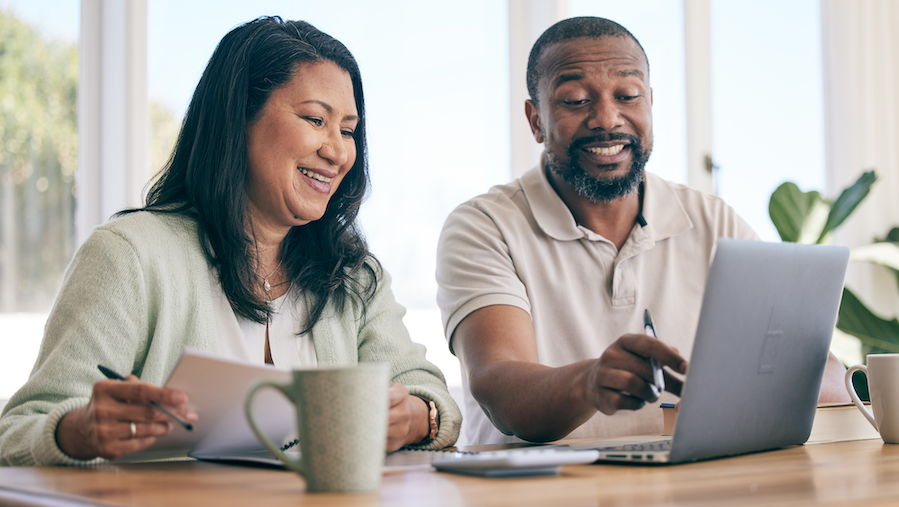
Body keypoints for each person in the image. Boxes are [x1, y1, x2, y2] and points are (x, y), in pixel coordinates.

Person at [0, 17, 460, 466]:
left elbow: (427, 392)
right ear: (237, 118)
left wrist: (417, 416)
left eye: (347, 129)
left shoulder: (353, 274)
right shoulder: (130, 255)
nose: (338, 151)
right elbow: (18, 432)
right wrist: (78, 430)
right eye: (315, 120)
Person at [436, 16, 849, 446]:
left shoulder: (712, 221)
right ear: (535, 119)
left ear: (649, 102)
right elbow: (500, 388)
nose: (607, 118)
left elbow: (825, 376)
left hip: (683, 486)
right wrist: (589, 382)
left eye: (627, 95)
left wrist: (737, 398)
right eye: (576, 100)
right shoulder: (484, 226)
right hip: (537, 490)